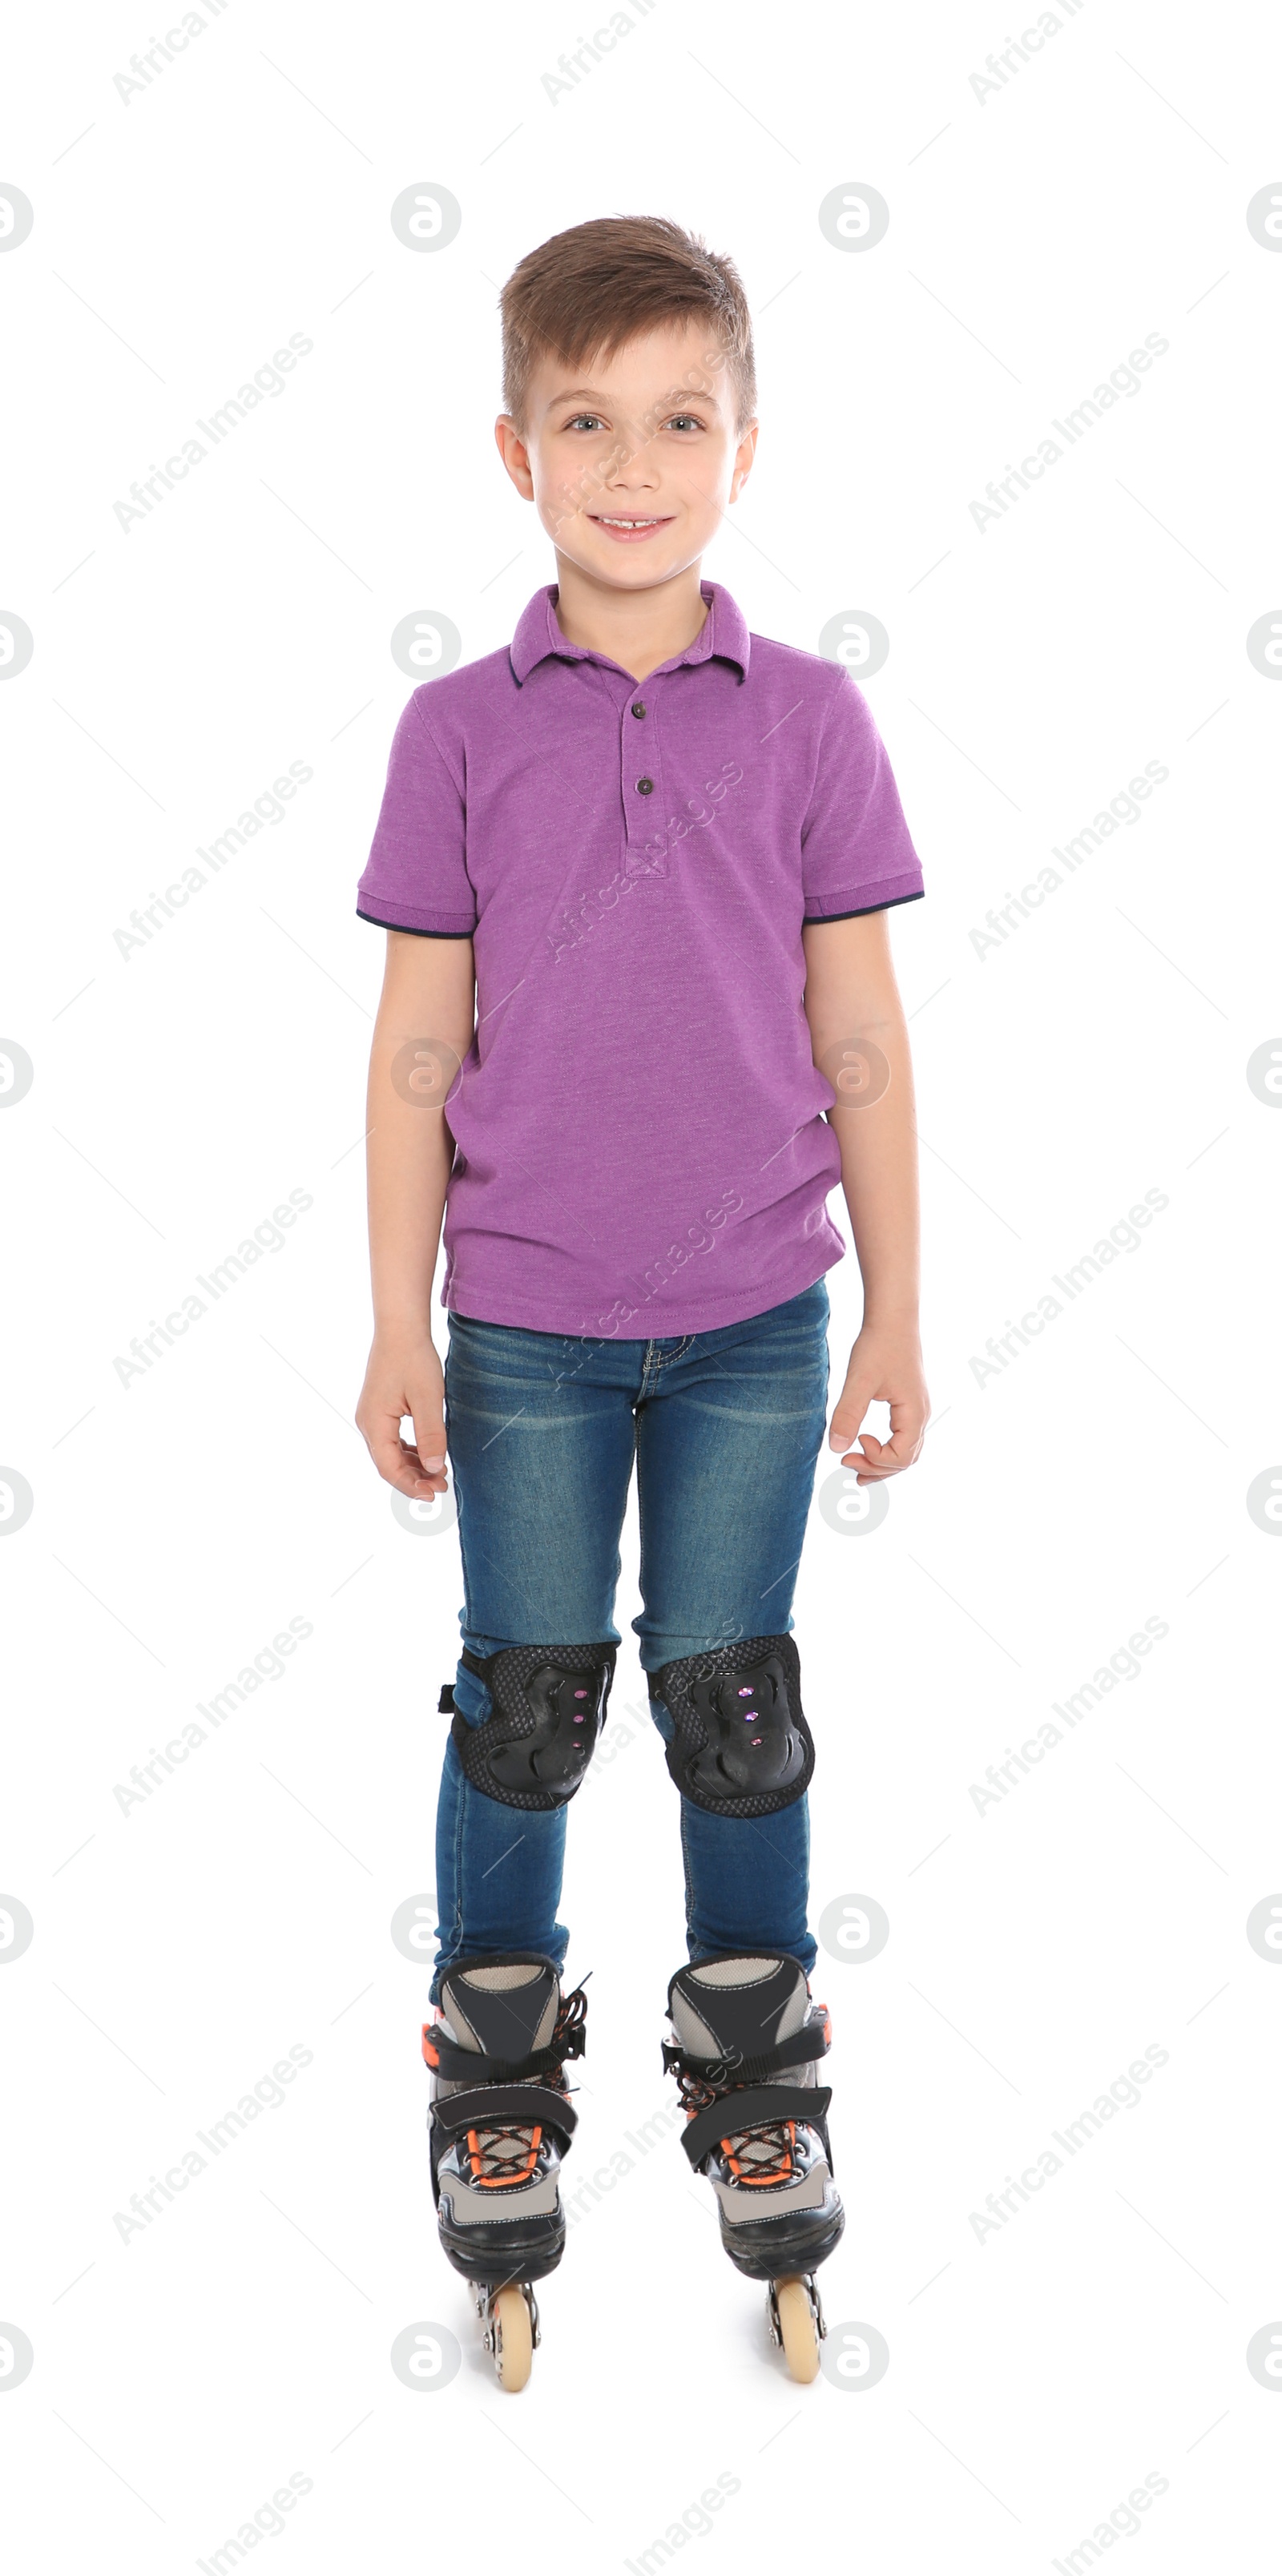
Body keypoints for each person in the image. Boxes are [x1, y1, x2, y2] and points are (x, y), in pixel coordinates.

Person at [354, 215, 929, 2389]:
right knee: (524, 1699)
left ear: (743, 445)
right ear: (514, 451)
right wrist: (400, 1321)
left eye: (678, 418)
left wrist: (894, 1309)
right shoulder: (456, 729)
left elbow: (860, 1025)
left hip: (765, 1318)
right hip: (519, 1316)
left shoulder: (809, 718)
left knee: (732, 1705)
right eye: (584, 422)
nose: (632, 463)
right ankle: (497, 2069)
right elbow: (416, 1048)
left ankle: (759, 2061)